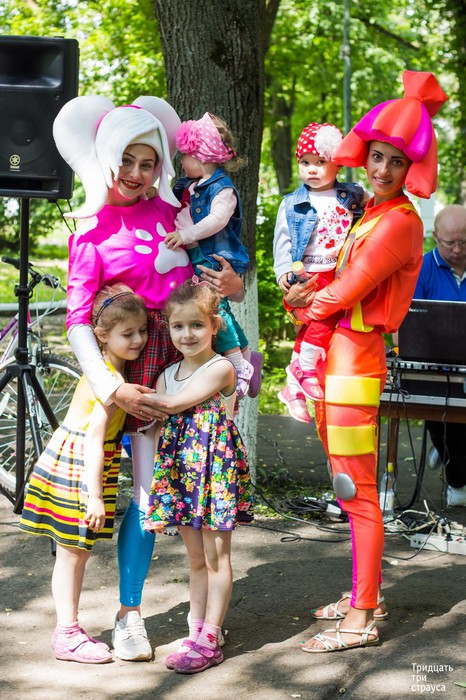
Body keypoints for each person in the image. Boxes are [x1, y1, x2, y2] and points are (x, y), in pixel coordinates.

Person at [52, 95, 245, 662]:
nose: (137, 174)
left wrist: (233, 288)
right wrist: (111, 385)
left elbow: (208, 285)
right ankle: (76, 625)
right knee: (94, 496)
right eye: (127, 161)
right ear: (105, 159)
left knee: (150, 499)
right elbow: (76, 319)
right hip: (118, 376)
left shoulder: (175, 212)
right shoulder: (89, 229)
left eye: (149, 162)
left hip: (177, 370)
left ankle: (130, 614)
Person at [284, 71, 448, 653]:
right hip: (341, 356)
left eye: (396, 161)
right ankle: (364, 595)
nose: (382, 169)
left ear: (412, 168)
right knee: (347, 486)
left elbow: (348, 288)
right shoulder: (376, 211)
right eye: (377, 156)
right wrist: (307, 296)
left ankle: (361, 618)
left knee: (354, 490)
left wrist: (301, 305)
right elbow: (334, 282)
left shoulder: (399, 220)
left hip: (355, 361)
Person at [19, 285, 148, 664]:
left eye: (142, 330)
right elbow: (94, 437)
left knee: (76, 552)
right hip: (81, 464)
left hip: (86, 461)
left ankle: (69, 630)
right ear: (101, 336)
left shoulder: (112, 370)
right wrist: (93, 496)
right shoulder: (109, 380)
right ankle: (66, 633)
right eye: (128, 333)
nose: (138, 340)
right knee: (73, 553)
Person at [144, 278, 254, 674]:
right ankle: (197, 630)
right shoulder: (166, 374)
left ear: (214, 326)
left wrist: (122, 393)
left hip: (214, 475)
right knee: (195, 559)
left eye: (196, 325)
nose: (187, 334)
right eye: (178, 326)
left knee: (216, 557)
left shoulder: (221, 368)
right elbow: (158, 427)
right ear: (168, 327)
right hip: (182, 476)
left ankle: (211, 637)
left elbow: (173, 405)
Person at [273, 121, 367, 423]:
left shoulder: (351, 196)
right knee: (322, 320)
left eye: (320, 162)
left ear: (337, 164)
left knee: (320, 323)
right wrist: (282, 275)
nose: (312, 169)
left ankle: (293, 387)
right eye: (305, 162)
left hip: (335, 272)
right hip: (305, 274)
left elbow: (377, 201)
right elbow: (282, 244)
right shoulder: (292, 203)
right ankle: (305, 368)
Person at [165, 112, 263, 399]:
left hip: (213, 258)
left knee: (215, 311)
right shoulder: (187, 185)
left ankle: (238, 365)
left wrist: (186, 235)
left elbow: (217, 220)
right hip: (196, 257)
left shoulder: (223, 190)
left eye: (186, 155)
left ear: (202, 156)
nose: (182, 161)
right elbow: (169, 203)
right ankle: (249, 356)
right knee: (220, 310)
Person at [413, 204, 466, 507]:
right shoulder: (420, 269)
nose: (457, 250)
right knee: (442, 416)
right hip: (434, 367)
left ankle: (450, 458)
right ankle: (456, 476)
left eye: (464, 242)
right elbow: (404, 326)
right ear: (435, 237)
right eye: (450, 243)